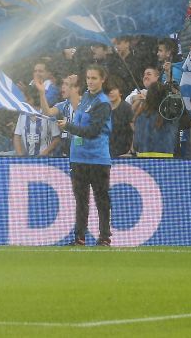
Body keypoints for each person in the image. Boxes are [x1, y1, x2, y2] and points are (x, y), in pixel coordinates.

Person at [56, 65, 112, 247]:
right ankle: (79, 236)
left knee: (100, 198)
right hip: (78, 156)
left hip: (96, 158)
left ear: (102, 80)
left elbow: (93, 131)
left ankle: (104, 237)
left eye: (94, 78)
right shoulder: (86, 97)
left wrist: (69, 126)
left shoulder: (103, 102)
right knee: (81, 200)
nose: (90, 81)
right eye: (88, 78)